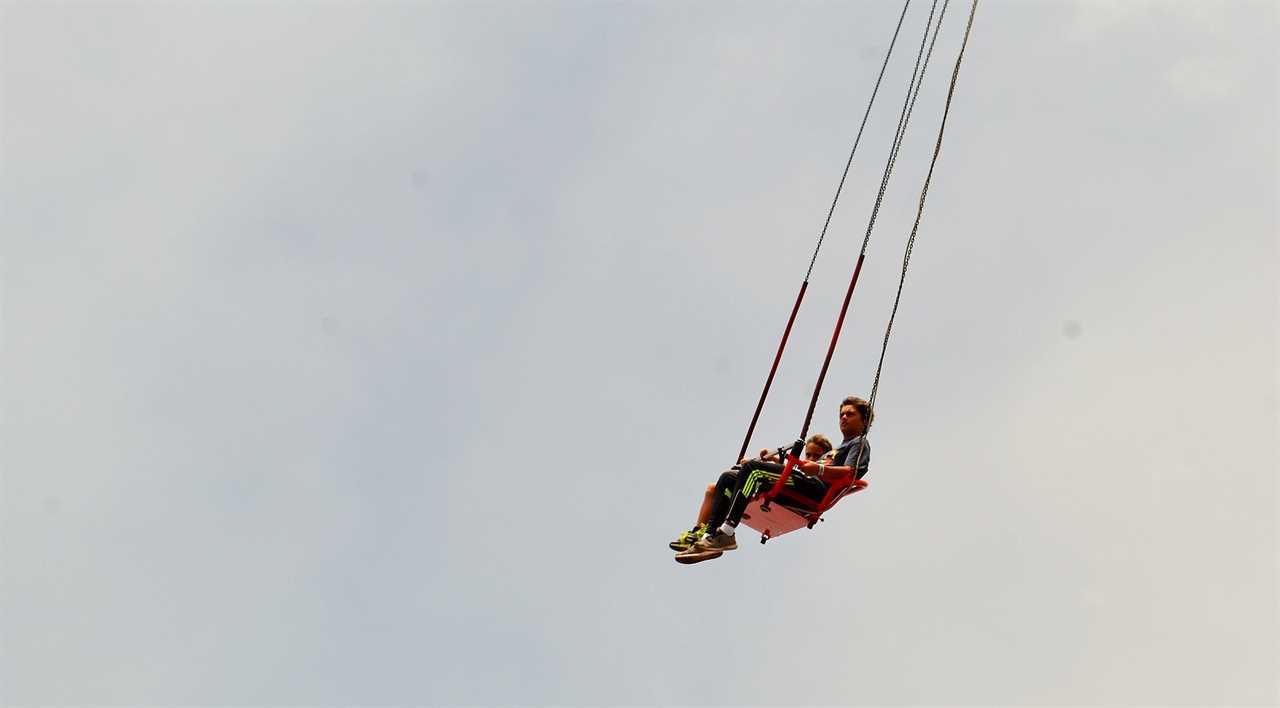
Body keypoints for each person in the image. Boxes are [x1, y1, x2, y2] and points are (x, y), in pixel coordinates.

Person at [674, 396, 872, 564]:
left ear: (864, 421)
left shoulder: (859, 443)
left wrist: (818, 468)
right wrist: (777, 460)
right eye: (841, 414)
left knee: (753, 471)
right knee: (728, 478)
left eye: (850, 414)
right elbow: (803, 469)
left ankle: (726, 533)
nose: (843, 417)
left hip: (813, 489)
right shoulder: (839, 447)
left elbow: (851, 472)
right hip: (803, 481)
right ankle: (709, 535)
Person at [669, 435, 833, 552]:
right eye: (808, 454)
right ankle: (705, 532)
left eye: (815, 456)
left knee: (750, 471)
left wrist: (756, 465)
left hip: (788, 493)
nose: (811, 458)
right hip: (779, 484)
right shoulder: (800, 468)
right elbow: (786, 471)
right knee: (720, 483)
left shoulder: (819, 470)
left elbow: (792, 476)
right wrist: (771, 460)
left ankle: (724, 531)